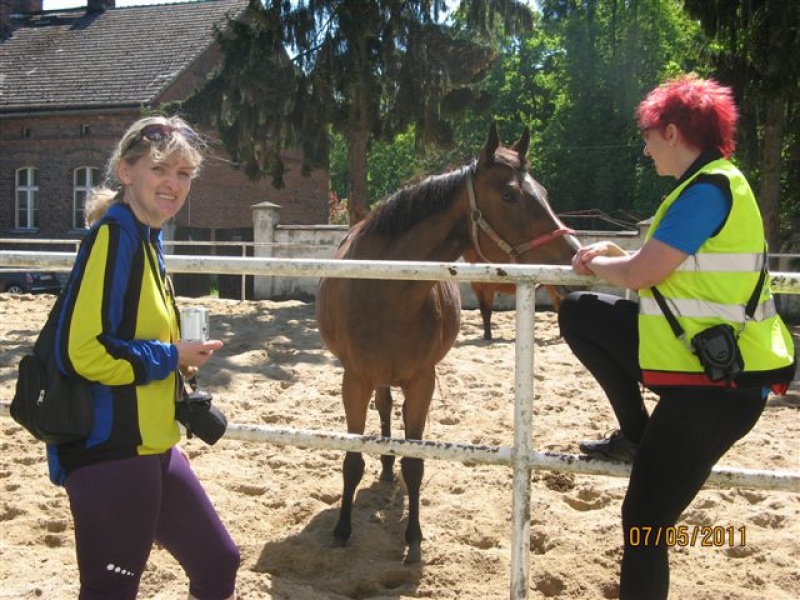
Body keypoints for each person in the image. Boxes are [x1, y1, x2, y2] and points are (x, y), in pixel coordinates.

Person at [558, 75, 796, 599]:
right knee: (582, 313)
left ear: (671, 131)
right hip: (696, 360)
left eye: (646, 135)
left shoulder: (708, 190)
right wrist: (607, 258)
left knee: (644, 521)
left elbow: (643, 274)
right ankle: (638, 435)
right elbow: (655, 268)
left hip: (720, 386)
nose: (644, 148)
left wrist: (603, 264)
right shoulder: (706, 185)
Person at [49, 116, 240, 599]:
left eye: (184, 173)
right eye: (160, 169)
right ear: (126, 170)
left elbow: (132, 339)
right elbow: (83, 351)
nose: (173, 184)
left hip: (153, 445)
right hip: (110, 450)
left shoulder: (146, 239)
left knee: (218, 562)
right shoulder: (114, 238)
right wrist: (168, 356)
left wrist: (179, 362)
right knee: (111, 592)